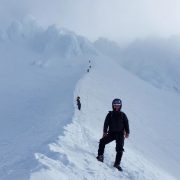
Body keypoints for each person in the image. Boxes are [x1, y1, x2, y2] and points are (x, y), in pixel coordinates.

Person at [96, 98, 130, 171]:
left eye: (118, 105)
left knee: (119, 149)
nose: (116, 106)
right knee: (102, 141)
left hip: (120, 134)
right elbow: (106, 123)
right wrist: (105, 132)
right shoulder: (110, 114)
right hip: (111, 133)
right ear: (113, 105)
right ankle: (100, 156)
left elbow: (126, 123)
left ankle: (117, 164)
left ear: (120, 106)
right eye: (115, 105)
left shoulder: (123, 115)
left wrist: (127, 132)